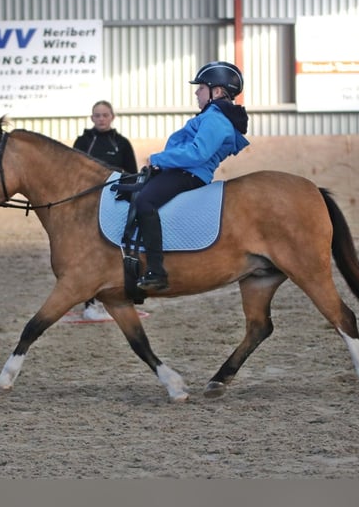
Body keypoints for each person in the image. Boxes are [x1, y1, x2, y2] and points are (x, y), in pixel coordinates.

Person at [135, 61, 250, 291]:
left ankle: (156, 270)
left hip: (189, 174)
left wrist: (158, 159)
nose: (197, 92)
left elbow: (198, 153)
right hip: (182, 170)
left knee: (144, 202)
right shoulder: (213, 116)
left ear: (216, 91)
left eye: (201, 88)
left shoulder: (215, 119)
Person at [74, 100, 139, 320]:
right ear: (92, 118)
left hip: (114, 204)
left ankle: (117, 294)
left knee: (113, 250)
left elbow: (132, 174)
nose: (101, 119)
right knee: (86, 253)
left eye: (105, 115)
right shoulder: (83, 142)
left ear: (112, 117)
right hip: (88, 206)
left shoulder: (121, 143)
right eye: (97, 115)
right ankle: (89, 304)